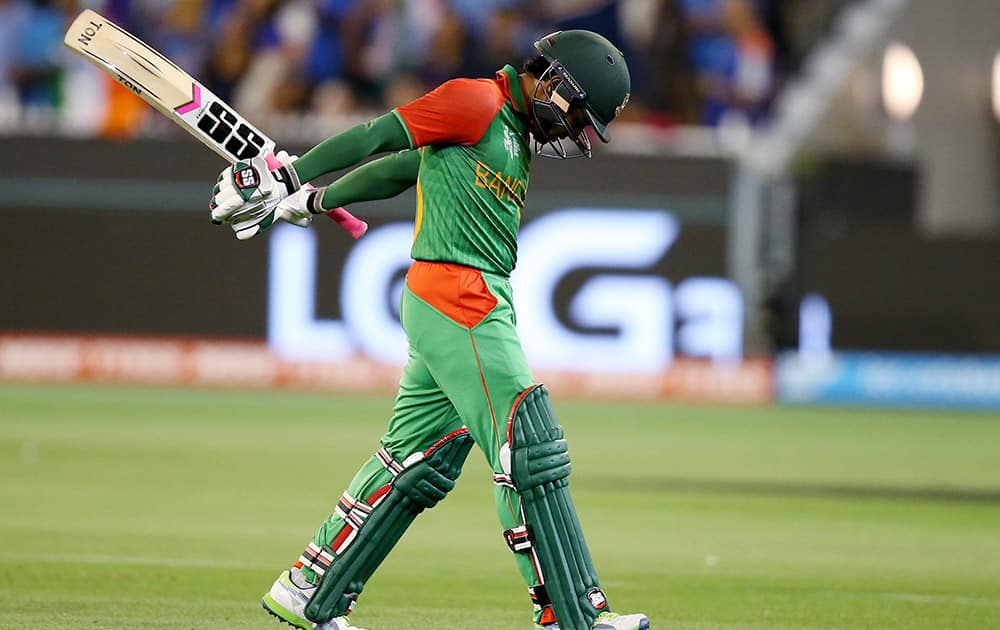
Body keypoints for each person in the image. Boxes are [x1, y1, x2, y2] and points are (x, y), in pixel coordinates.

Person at [210, 29, 649, 630]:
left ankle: (310, 590)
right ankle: (574, 618)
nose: (574, 131)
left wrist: (314, 202)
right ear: (556, 81)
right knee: (529, 445)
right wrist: (287, 176)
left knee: (418, 464)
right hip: (458, 296)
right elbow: (378, 135)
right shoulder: (475, 101)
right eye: (579, 115)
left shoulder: (511, 133)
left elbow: (400, 170)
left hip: (469, 300)